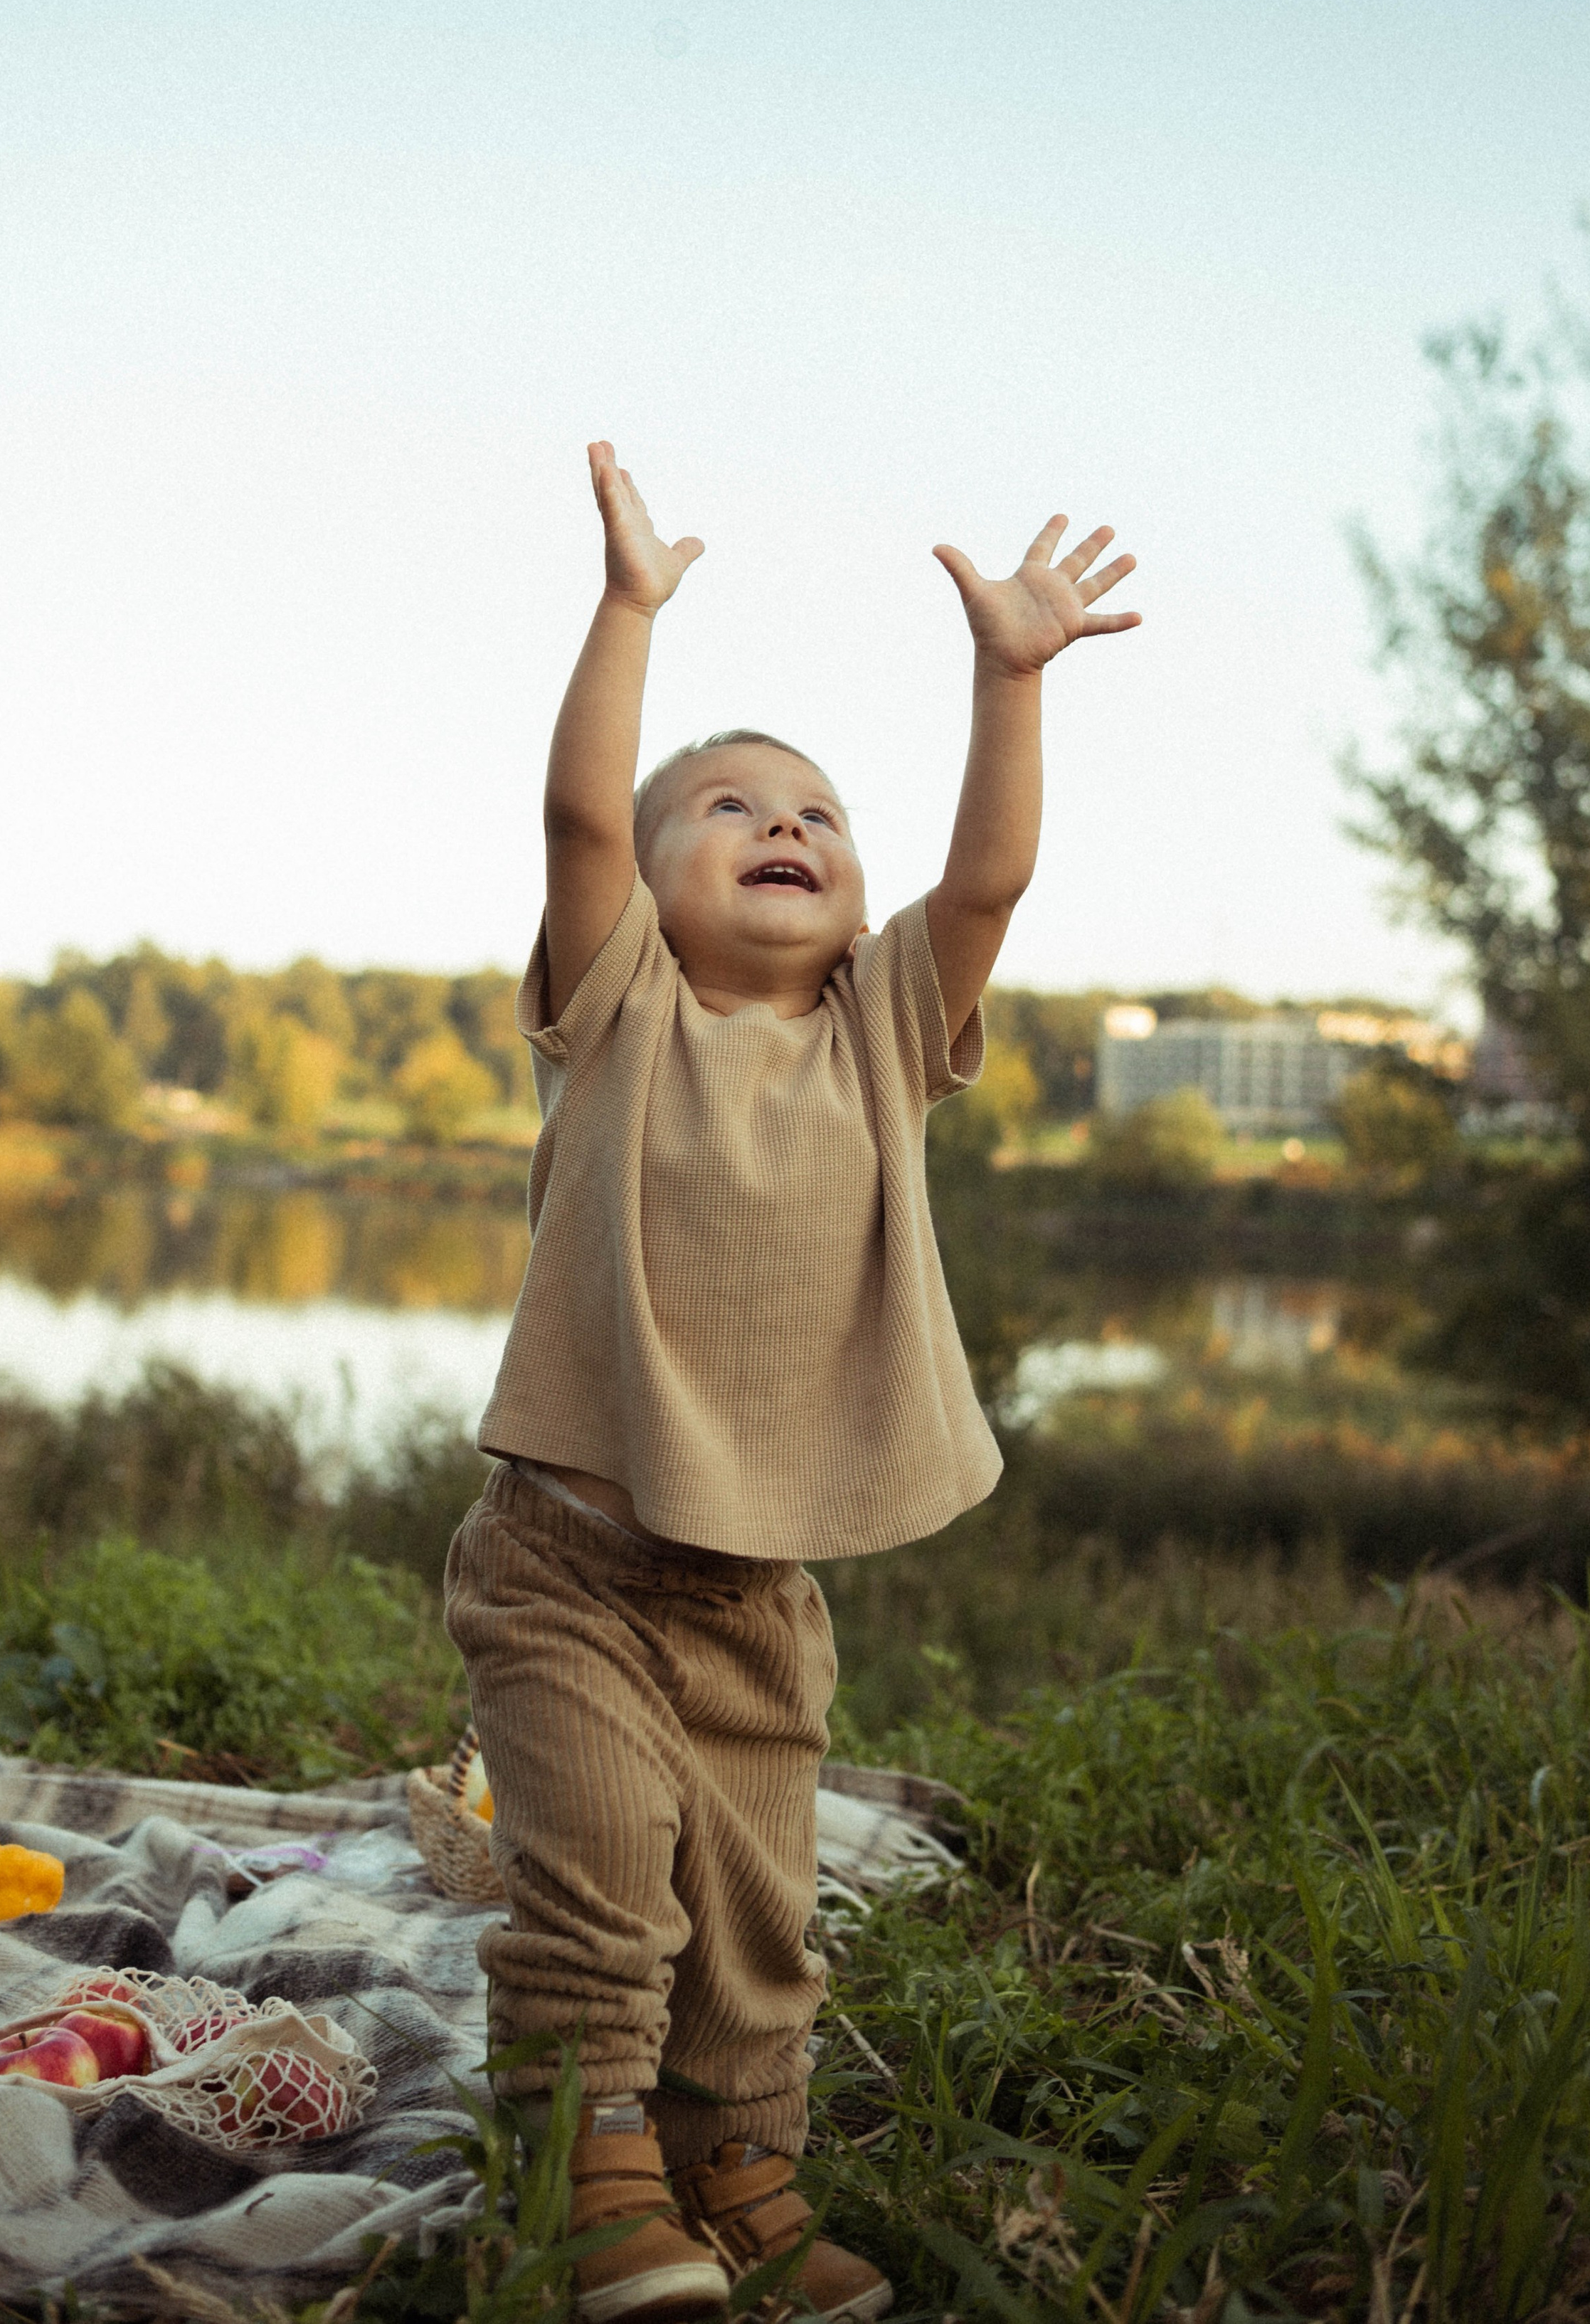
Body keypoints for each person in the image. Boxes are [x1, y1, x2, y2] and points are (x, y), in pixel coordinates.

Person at [445, 441, 1140, 2323]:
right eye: (730, 807)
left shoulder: (885, 1026)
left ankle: (738, 2161)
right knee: (601, 1870)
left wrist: (1012, 679)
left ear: (853, 898)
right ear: (656, 889)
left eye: (820, 815)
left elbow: (987, 873)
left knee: (754, 1915)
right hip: (570, 1563)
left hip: (757, 1600)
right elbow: (580, 816)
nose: (786, 825)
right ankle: (587, 2167)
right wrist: (628, 613)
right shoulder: (623, 1009)